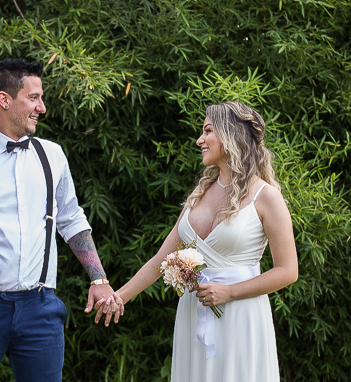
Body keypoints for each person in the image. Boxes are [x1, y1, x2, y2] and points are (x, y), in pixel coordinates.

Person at [0, 58, 123, 382]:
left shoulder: (53, 156)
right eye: (33, 98)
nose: (41, 107)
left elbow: (71, 221)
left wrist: (98, 279)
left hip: (40, 308)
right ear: (4, 99)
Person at [99, 101, 298, 381]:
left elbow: (288, 271)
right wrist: (119, 297)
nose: (199, 140)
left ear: (232, 135)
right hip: (194, 313)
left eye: (207, 131)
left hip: (240, 315)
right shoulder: (199, 194)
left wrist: (229, 292)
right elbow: (160, 260)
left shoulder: (265, 197)